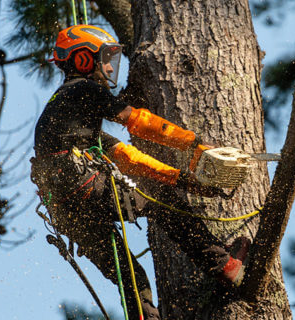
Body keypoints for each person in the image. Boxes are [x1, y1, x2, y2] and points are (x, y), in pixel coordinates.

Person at [31, 25, 249, 320]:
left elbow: (128, 158)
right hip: (81, 183)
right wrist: (193, 144)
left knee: (131, 277)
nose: (109, 67)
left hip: (65, 209)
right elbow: (137, 122)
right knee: (163, 202)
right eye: (105, 58)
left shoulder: (70, 117)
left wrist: (180, 178)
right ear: (83, 61)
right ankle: (225, 265)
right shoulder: (85, 89)